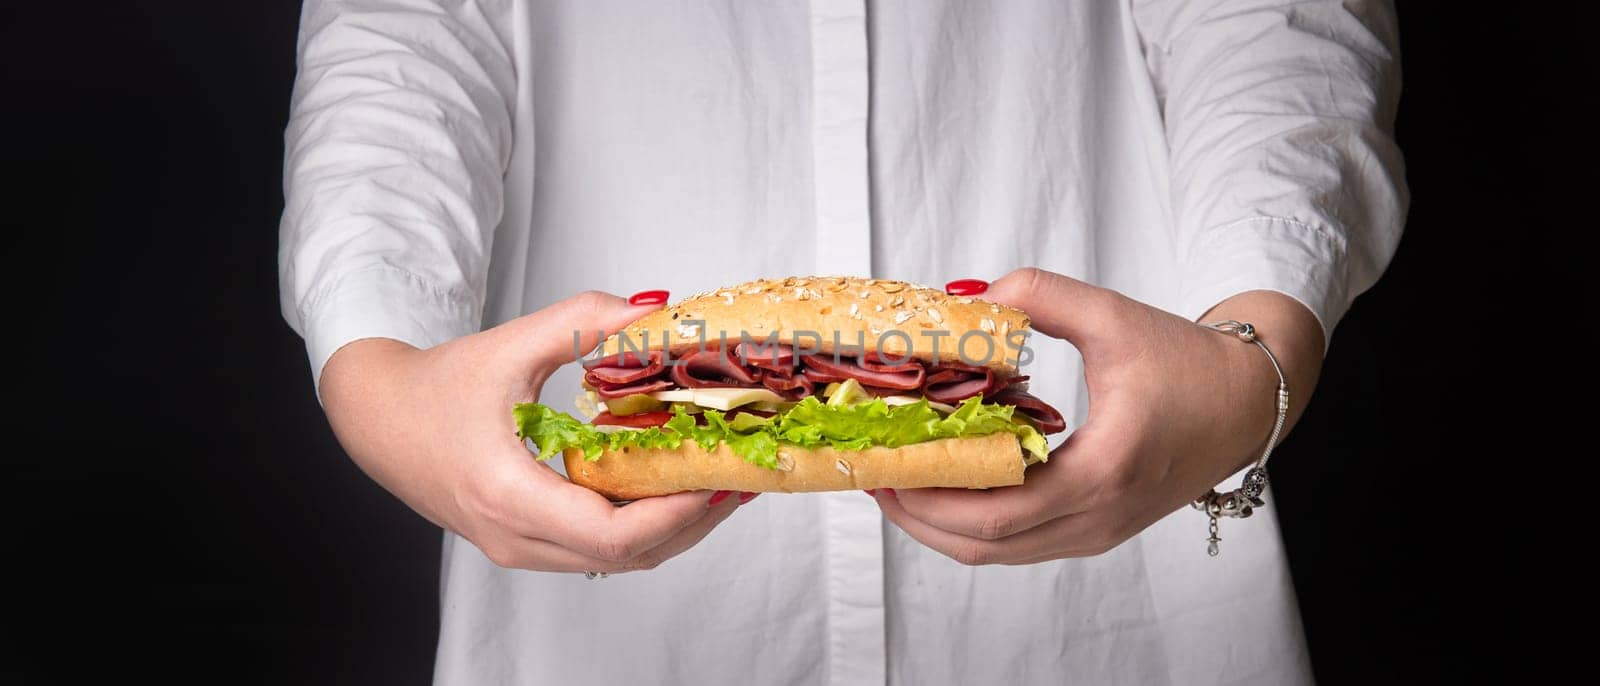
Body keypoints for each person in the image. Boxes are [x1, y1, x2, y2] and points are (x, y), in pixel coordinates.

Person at [279, 1, 1405, 683]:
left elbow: (1274, 30)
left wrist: (1255, 343)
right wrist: (380, 370)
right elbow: (401, 48)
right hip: (607, 646)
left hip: (1115, 611)